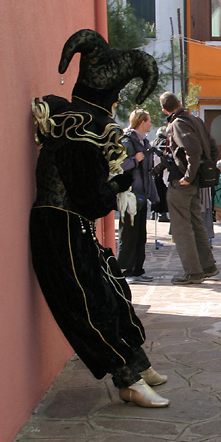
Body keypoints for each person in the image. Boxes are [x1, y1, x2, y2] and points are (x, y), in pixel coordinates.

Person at [30, 29, 169, 408]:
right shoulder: (81, 134)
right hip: (60, 227)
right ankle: (127, 378)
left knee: (110, 291)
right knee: (91, 304)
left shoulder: (78, 124)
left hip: (69, 226)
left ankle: (137, 364)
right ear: (111, 97)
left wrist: (115, 183)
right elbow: (92, 200)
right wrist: (120, 182)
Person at [159, 91, 220, 285]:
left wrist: (188, 176)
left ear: (164, 110)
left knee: (181, 228)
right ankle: (208, 266)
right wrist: (203, 170)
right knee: (196, 223)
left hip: (183, 182)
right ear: (179, 102)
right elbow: (213, 147)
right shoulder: (196, 120)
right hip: (195, 183)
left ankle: (193, 272)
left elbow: (192, 150)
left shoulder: (178, 123)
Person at [116, 108, 159, 283]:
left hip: (141, 195)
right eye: (148, 121)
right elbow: (119, 165)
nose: (151, 124)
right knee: (128, 234)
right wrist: (135, 160)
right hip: (130, 195)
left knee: (140, 234)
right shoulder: (128, 141)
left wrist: (154, 195)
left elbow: (147, 171)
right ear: (142, 122)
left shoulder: (144, 142)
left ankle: (137, 270)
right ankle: (125, 271)